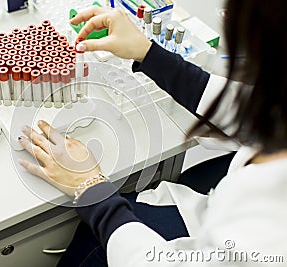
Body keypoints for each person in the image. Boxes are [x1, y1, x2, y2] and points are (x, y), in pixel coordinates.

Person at [18, 0, 287, 265]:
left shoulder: (265, 235)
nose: (225, 16)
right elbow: (253, 110)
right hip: (221, 204)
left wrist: (89, 186)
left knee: (92, 244)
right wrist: (148, 53)